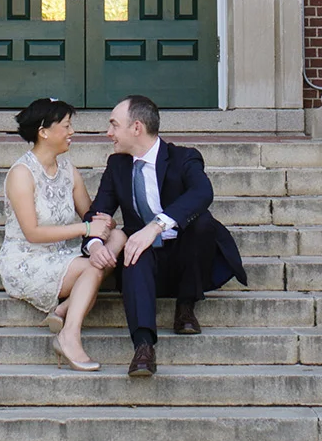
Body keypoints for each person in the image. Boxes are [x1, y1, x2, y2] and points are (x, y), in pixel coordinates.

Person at [83, 94, 247, 378]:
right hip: (146, 263)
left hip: (188, 258)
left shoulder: (184, 157)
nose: (108, 133)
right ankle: (144, 347)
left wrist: (155, 226)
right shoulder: (117, 165)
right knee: (134, 248)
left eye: (113, 125)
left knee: (201, 222)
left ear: (136, 128)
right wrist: (95, 244)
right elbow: (97, 213)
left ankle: (186, 305)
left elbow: (202, 193)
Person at [0, 96, 111, 372]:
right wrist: (86, 229)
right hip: (27, 259)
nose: (72, 132)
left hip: (62, 255)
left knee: (117, 241)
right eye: (66, 125)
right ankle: (68, 336)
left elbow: (88, 214)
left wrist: (104, 223)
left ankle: (63, 310)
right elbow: (32, 233)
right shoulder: (22, 174)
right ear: (44, 131)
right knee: (93, 268)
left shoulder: (68, 170)